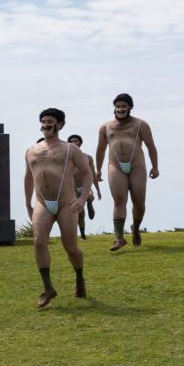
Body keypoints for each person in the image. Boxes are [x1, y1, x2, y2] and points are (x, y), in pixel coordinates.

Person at [24, 109, 93, 308]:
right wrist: (27, 203)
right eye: (43, 121)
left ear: (60, 125)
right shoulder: (31, 150)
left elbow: (87, 174)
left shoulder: (70, 149)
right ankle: (48, 288)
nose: (46, 124)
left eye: (50, 121)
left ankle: (79, 278)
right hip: (43, 202)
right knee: (38, 241)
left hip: (66, 202)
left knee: (70, 247)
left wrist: (82, 198)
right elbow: (28, 178)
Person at [94, 94, 160, 251]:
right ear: (114, 107)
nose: (121, 108)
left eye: (124, 106)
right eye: (118, 106)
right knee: (119, 200)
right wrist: (98, 170)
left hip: (137, 166)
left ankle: (136, 228)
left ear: (130, 107)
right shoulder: (106, 127)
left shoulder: (140, 125)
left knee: (139, 202)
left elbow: (151, 146)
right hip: (115, 166)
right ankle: (119, 238)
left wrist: (155, 167)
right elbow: (101, 149)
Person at [66, 134, 102, 239]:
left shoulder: (87, 157)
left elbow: (93, 174)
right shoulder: (66, 158)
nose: (74, 143)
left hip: (85, 186)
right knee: (80, 213)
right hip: (73, 188)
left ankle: (90, 203)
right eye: (71, 141)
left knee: (90, 197)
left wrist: (98, 190)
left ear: (80, 143)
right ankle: (82, 234)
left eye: (76, 141)